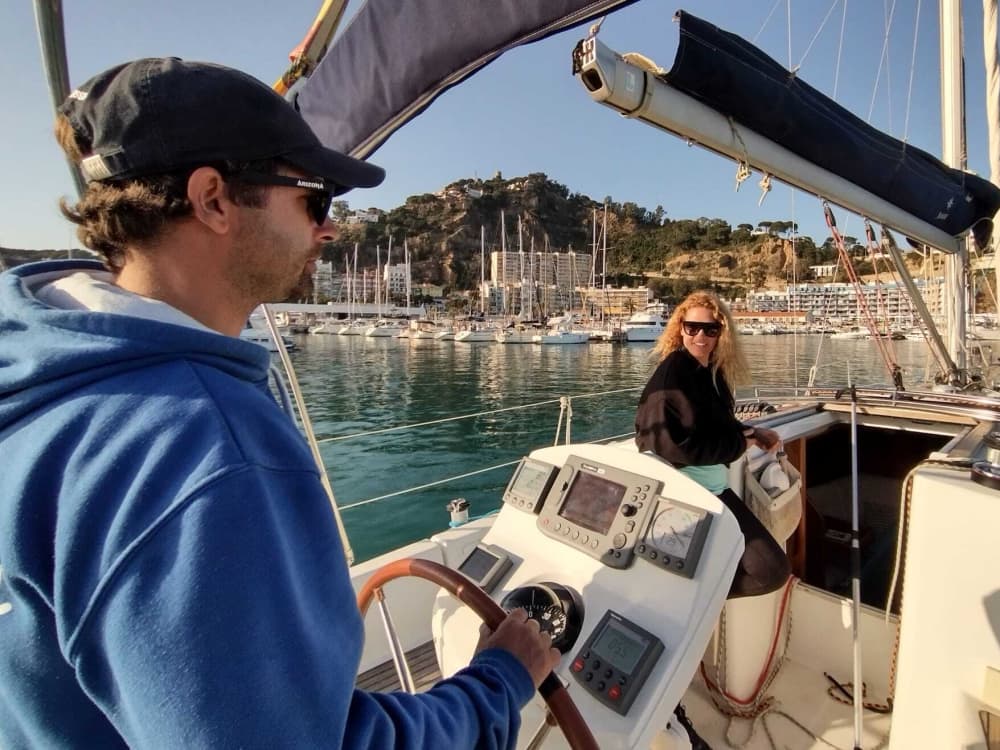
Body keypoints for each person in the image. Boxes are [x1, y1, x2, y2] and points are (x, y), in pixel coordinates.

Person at [0, 58, 559, 749]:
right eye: (314, 199)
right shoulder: (207, 449)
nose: (327, 230)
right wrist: (500, 680)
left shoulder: (38, 375)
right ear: (213, 199)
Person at [634, 291, 791, 598]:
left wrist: (751, 432)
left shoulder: (710, 373)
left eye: (710, 329)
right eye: (692, 327)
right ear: (680, 328)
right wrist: (736, 446)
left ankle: (691, 593)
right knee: (771, 572)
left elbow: (709, 421)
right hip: (692, 493)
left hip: (714, 488)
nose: (700, 336)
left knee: (770, 571)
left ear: (722, 333)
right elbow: (663, 442)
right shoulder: (673, 374)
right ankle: (687, 599)